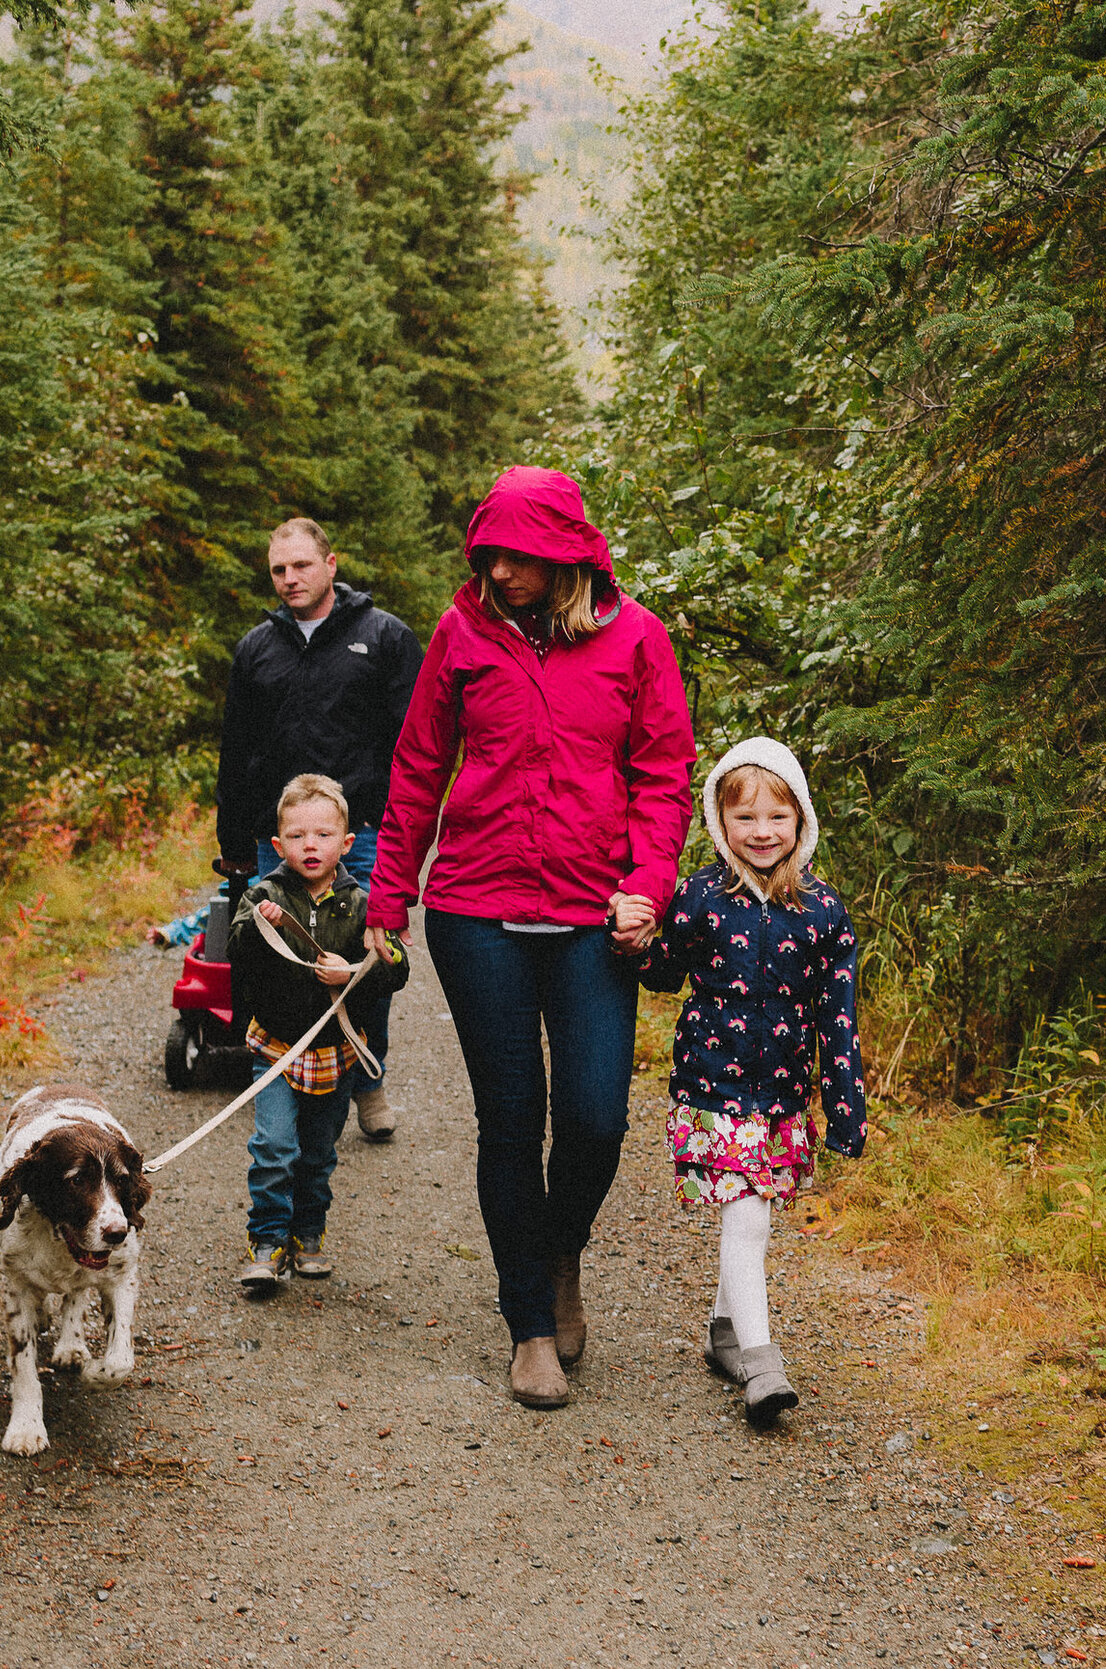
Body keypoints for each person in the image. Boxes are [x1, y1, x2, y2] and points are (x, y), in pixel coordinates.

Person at [363, 466, 697, 1409]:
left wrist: (647, 884)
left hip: (594, 913)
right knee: (511, 1116)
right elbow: (421, 763)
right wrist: (389, 898)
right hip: (477, 912)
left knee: (596, 1117)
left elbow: (665, 770)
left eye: (519, 556)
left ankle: (561, 1250)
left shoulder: (636, 640)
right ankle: (529, 1326)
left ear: (567, 555)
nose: (501, 571)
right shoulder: (462, 632)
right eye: (490, 554)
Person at [633, 738, 867, 1424]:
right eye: (745, 818)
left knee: (751, 1218)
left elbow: (839, 1017)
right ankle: (762, 1365)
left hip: (784, 1094)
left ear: (801, 822)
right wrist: (632, 941)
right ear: (719, 822)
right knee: (748, 1217)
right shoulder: (701, 896)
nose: (761, 832)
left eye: (777, 818)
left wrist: (846, 1106)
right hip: (713, 1086)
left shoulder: (824, 912)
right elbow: (664, 971)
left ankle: (724, 1332)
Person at [217, 518, 423, 1141]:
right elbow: (236, 750)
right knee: (273, 960)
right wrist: (234, 844)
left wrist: (404, 831)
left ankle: (367, 1078)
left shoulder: (384, 639)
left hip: (358, 838)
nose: (290, 580)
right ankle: (279, 1076)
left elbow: (417, 747)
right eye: (279, 570)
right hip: (272, 840)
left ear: (331, 564)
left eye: (301, 566)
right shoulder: (256, 649)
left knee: (364, 962)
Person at [227, 775, 406, 1292]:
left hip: (337, 1052)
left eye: (324, 836)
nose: (311, 846)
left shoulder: (363, 903)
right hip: (277, 1049)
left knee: (317, 1153)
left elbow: (396, 966)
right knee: (273, 1146)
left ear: (347, 844)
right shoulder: (263, 894)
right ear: (278, 845)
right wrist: (261, 928)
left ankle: (307, 1233)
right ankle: (266, 1241)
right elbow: (236, 954)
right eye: (299, 837)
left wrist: (353, 971)